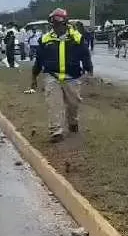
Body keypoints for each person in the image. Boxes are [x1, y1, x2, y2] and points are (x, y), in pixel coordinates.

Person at [31, 8, 93, 142]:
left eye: (58, 24)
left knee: (73, 104)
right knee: (54, 104)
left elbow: (85, 56)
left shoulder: (76, 38)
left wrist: (89, 71)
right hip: (52, 76)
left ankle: (73, 121)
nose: (55, 26)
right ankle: (56, 131)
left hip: (72, 77)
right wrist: (34, 76)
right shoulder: (46, 39)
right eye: (53, 24)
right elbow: (39, 60)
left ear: (65, 23)